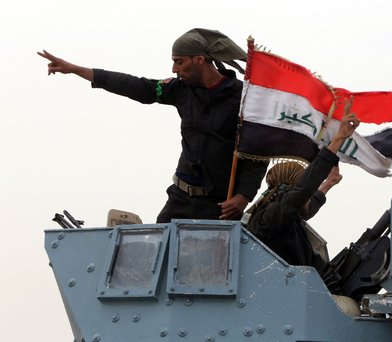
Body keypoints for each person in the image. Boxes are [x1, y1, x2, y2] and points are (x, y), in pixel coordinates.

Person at [38, 28, 267, 222]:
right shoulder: (180, 90)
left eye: (179, 62)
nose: (174, 70)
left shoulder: (244, 99)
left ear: (199, 59)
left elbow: (258, 153)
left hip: (219, 207)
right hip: (179, 198)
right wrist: (77, 70)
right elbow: (137, 86)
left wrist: (243, 197)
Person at [245, 102, 360, 273]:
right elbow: (305, 189)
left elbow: (308, 206)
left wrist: (328, 184)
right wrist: (338, 139)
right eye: (307, 191)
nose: (311, 194)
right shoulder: (274, 214)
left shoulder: (282, 214)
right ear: (292, 192)